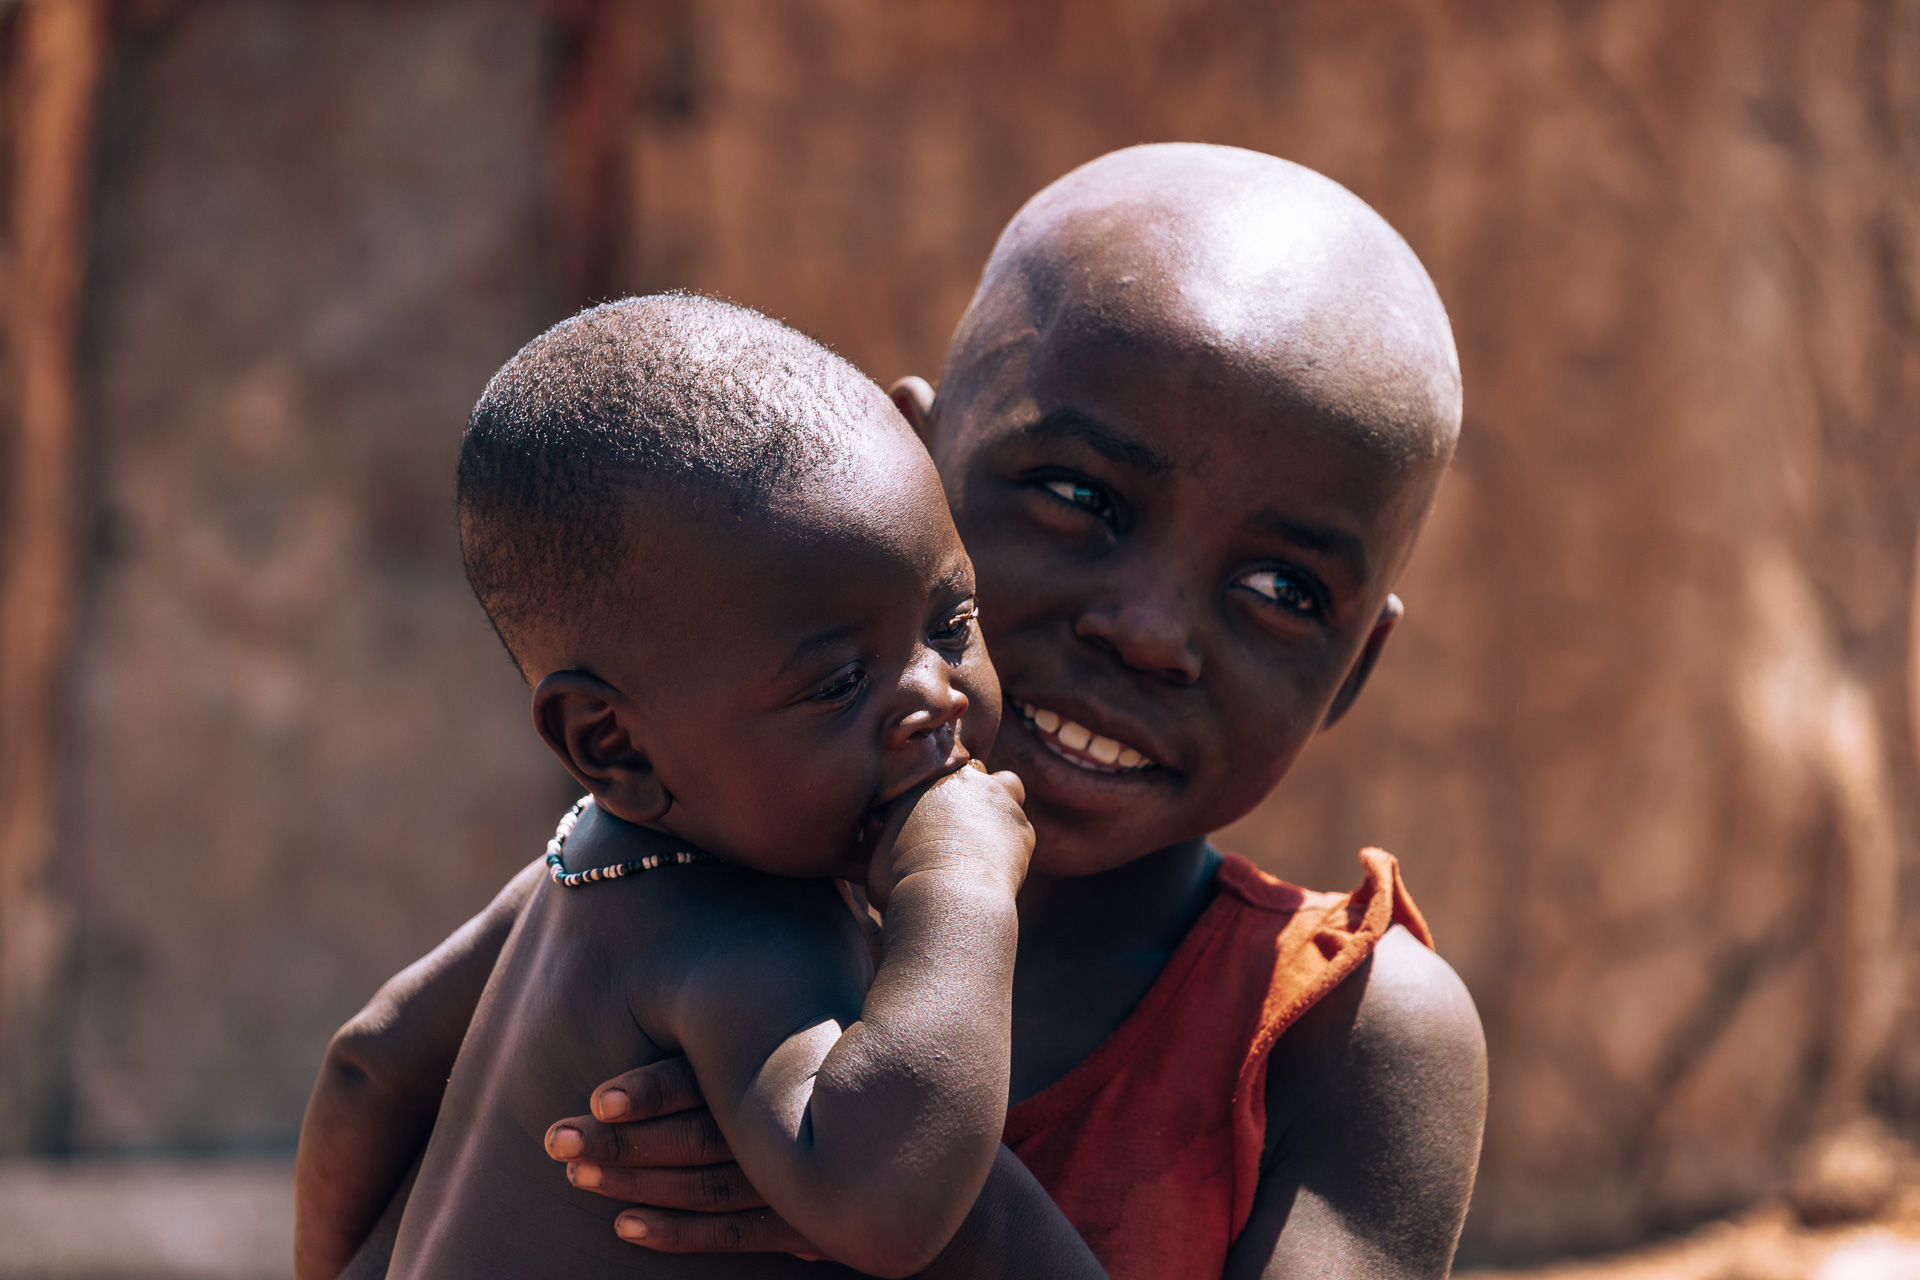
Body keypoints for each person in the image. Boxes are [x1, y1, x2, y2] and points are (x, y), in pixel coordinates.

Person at [297, 143, 1488, 1280]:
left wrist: (929, 1208)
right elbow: (371, 1073)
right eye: (1077, 495)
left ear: (1355, 669)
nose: (1150, 629)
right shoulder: (700, 852)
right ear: (917, 458)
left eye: (1284, 589)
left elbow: (363, 1066)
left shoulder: (1350, 1035)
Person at [342, 294, 1063, 1280]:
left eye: (950, 620)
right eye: (839, 681)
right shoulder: (745, 935)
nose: (934, 696)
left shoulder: (580, 867)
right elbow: (888, 1209)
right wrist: (963, 887)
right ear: (613, 743)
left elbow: (366, 1060)